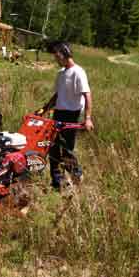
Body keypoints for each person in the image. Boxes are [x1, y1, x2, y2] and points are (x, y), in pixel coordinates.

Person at [38, 41, 94, 190]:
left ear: (61, 55)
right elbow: (58, 95)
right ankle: (57, 183)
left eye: (56, 57)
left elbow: (87, 95)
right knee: (53, 148)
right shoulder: (61, 73)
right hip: (58, 113)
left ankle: (77, 175)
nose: (55, 60)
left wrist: (87, 118)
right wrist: (45, 108)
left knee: (66, 149)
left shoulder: (78, 72)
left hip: (72, 115)